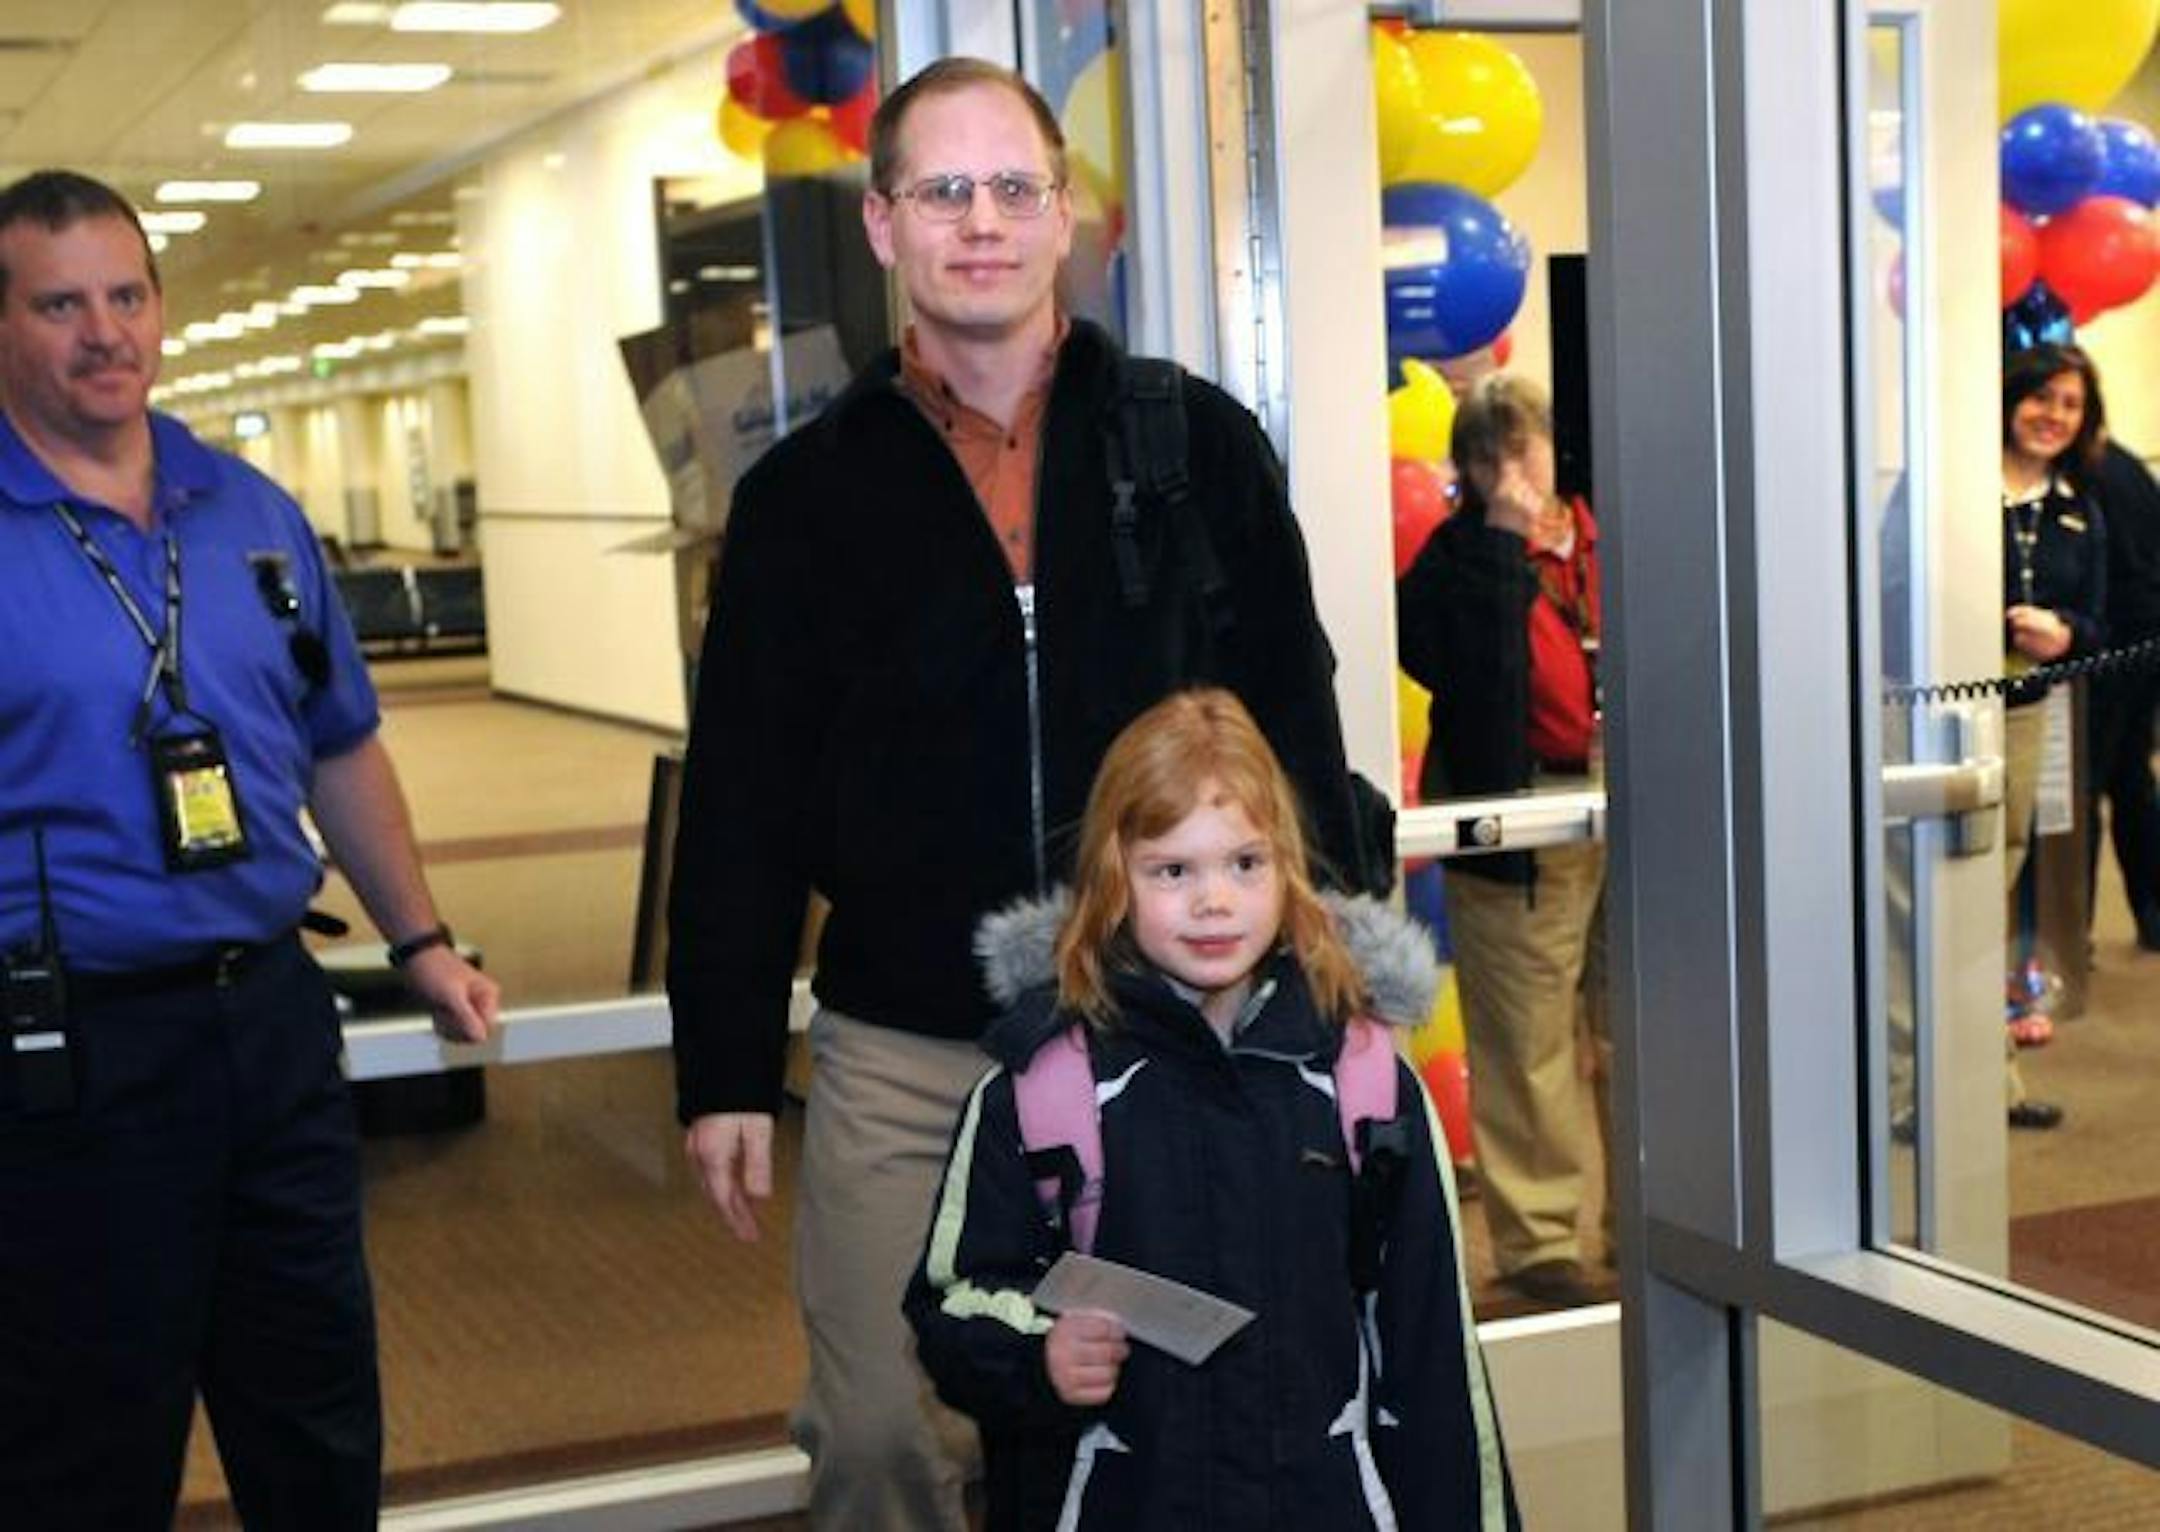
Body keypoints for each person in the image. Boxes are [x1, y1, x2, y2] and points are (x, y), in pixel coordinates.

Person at [666, 58, 1376, 1531]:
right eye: (943, 192)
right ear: (882, 226)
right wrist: (725, 1064)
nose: (979, 223)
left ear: (1065, 216)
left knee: (1159, 1417)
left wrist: (1335, 979)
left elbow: (1296, 732)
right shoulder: (807, 500)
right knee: (876, 1431)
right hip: (909, 1050)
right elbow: (741, 797)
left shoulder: (1193, 449)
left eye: (1012, 189)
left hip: (1169, 1040)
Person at [0, 171, 498, 1527]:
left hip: (273, 1020)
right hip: (75, 1052)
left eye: (126, 296)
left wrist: (422, 938)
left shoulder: (250, 512)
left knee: (316, 1413)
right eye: (59, 305)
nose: (104, 332)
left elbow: (341, 743)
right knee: (86, 1443)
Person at [904, 689, 1515, 1531]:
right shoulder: (1040, 1089)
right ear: (1114, 879)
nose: (1214, 901)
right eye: (1172, 871)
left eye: (1244, 864)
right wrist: (1038, 1350)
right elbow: (952, 1297)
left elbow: (1434, 1356)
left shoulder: (1366, 1084)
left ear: (1287, 868)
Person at [1395, 374, 1613, 1308]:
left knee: (1632, 1024)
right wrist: (1501, 544)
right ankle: (1542, 1244)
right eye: (1488, 455)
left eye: (1522, 447)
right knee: (1527, 1040)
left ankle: (1649, 1217)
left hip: (1628, 808)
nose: (1509, 469)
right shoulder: (1456, 562)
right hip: (1522, 824)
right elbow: (1464, 667)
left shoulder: (1610, 530)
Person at [1996, 342, 2108, 1129]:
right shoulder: (1955, 486)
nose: (2053, 416)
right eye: (2043, 398)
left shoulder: (2079, 507)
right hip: (1941, 715)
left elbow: (2102, 623)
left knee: (1997, 887)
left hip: (2033, 712)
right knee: (1935, 898)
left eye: (2070, 404)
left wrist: (2066, 635)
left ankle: (1986, 1075)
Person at [2082, 432, 2160, 953]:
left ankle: (2065, 935)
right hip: (2136, 649)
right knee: (2131, 783)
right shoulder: (2121, 464)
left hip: (2119, 653)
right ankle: (2153, 918)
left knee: (2083, 790)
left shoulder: (2101, 472)